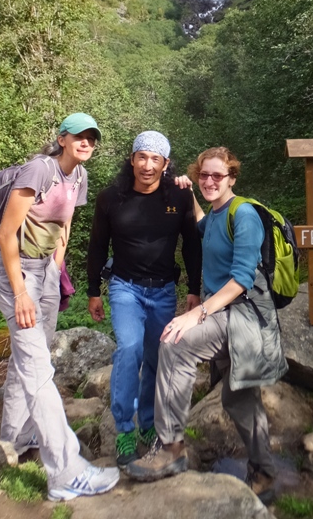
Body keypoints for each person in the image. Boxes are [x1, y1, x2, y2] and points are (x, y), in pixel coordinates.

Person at [125, 146, 288, 505]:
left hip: (246, 317)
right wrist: (188, 192)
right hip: (228, 315)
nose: (210, 181)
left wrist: (195, 314)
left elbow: (241, 280)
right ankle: (264, 472)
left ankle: (171, 449)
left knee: (174, 344)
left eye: (218, 176)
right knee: (238, 399)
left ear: (232, 178)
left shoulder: (243, 214)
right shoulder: (216, 214)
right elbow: (203, 226)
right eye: (204, 175)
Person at [0, 113, 120, 502]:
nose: (86, 143)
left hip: (44, 270)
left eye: (92, 138)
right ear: (62, 138)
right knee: (37, 366)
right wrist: (22, 292)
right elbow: (6, 233)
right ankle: (64, 471)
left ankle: (15, 438)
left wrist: (55, 270)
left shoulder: (78, 177)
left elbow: (64, 226)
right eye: (79, 136)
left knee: (31, 358)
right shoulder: (39, 170)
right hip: (14, 271)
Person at [87, 131, 202, 468]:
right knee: (129, 348)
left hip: (164, 290)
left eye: (156, 159)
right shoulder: (111, 198)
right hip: (125, 287)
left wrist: (193, 289)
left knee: (156, 357)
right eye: (142, 157)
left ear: (165, 164)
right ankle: (124, 430)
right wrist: (94, 290)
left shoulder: (178, 197)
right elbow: (97, 246)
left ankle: (148, 425)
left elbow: (192, 246)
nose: (147, 165)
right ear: (132, 159)